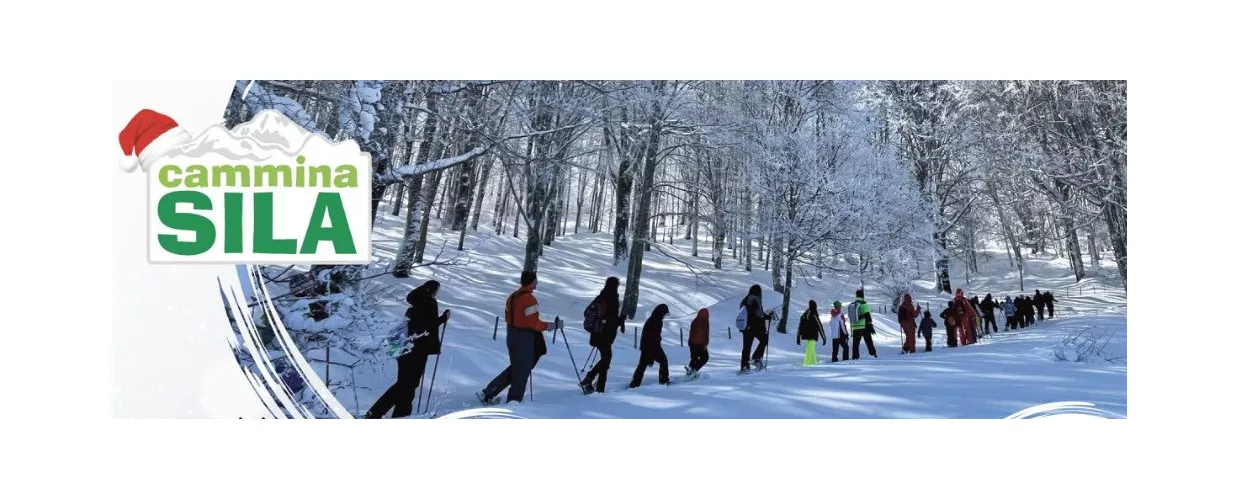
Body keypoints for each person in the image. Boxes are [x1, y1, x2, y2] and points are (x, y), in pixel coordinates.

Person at [365, 280, 450, 418]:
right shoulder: (429, 303)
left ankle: (393, 414)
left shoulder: (414, 306)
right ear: (432, 290)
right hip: (417, 350)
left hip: (404, 349)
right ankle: (379, 414)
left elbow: (420, 324)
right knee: (407, 385)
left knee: (406, 384)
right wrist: (443, 318)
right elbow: (427, 326)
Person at [478, 271, 561, 405]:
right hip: (524, 338)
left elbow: (509, 317)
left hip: (511, 334)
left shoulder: (513, 296)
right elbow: (534, 323)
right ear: (531, 281)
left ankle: (489, 392)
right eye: (535, 280)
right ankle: (514, 402)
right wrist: (551, 326)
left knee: (517, 368)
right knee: (522, 371)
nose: (537, 282)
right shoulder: (529, 299)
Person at [580, 277, 624, 394]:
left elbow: (586, 312)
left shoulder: (601, 296)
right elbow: (612, 319)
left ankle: (598, 386)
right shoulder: (612, 298)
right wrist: (620, 320)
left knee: (605, 359)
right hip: (605, 335)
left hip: (597, 333)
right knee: (606, 360)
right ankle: (592, 382)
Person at [630, 304, 672, 388]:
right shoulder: (656, 320)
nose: (665, 316)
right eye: (665, 313)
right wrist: (653, 352)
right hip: (653, 346)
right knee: (663, 361)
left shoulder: (653, 318)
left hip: (647, 346)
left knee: (642, 365)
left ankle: (635, 383)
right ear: (661, 312)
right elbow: (653, 336)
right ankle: (664, 380)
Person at [739, 285, 773, 372]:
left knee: (746, 347)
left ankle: (744, 367)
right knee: (764, 340)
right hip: (755, 327)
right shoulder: (756, 299)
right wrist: (767, 317)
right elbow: (759, 313)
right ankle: (756, 358)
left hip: (745, 327)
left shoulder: (745, 300)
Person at [796, 300, 827, 366]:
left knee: (811, 350)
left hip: (806, 335)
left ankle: (814, 364)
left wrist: (798, 337)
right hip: (812, 336)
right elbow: (819, 325)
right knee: (809, 351)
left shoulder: (804, 314)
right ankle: (806, 365)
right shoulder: (814, 313)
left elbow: (800, 326)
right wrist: (824, 337)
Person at [849, 289, 877, 359]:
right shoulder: (864, 303)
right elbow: (867, 316)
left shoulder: (853, 304)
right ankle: (873, 354)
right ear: (862, 296)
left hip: (855, 326)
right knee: (868, 341)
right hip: (864, 326)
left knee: (855, 343)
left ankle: (855, 356)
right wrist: (870, 323)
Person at [685, 308, 710, 380]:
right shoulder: (700, 321)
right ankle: (692, 371)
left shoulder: (698, 321)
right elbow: (702, 334)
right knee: (701, 358)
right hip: (697, 343)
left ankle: (692, 370)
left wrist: (705, 343)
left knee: (698, 359)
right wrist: (704, 343)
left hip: (696, 343)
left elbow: (705, 333)